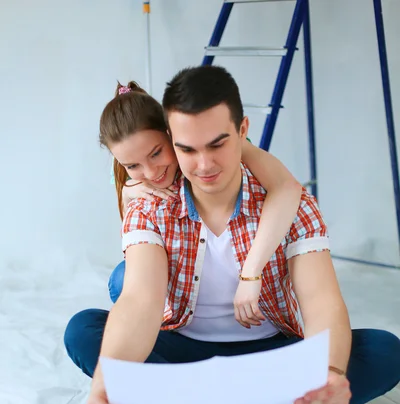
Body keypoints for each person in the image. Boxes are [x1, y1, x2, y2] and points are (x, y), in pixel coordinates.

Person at [64, 66, 400, 404]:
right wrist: (108, 378)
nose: (203, 164)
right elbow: (140, 301)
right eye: (187, 149)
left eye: (218, 144)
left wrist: (330, 372)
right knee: (84, 331)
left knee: (385, 352)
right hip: (186, 353)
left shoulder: (289, 201)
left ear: (242, 130)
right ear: (172, 139)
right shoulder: (150, 206)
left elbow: (320, 300)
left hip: (268, 359)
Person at [105, 81, 303, 328]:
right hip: (181, 273)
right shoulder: (133, 178)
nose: (150, 171)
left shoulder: (220, 147)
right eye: (132, 165)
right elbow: (136, 239)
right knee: (122, 279)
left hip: (239, 258)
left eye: (156, 153)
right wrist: (126, 195)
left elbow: (286, 187)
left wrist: (252, 272)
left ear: (171, 132)